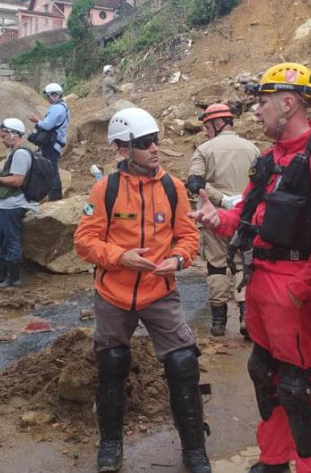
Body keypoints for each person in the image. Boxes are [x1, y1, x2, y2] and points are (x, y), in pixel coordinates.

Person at [191, 63, 311, 473]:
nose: (255, 112)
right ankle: (274, 459)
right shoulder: (267, 159)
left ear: (289, 102)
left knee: (298, 387)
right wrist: (214, 219)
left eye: (262, 103)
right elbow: (243, 215)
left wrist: (305, 284)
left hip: (292, 292)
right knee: (265, 373)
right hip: (260, 285)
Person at [74, 107, 211, 473]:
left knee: (183, 363)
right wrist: (121, 257)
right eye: (145, 143)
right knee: (112, 363)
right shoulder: (107, 188)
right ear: (123, 150)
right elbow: (84, 241)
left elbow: (188, 235)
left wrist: (179, 261)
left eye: (156, 141)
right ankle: (110, 444)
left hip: (159, 290)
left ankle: (195, 449)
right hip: (113, 294)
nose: (155, 149)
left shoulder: (173, 187)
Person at [187, 103, 260, 338]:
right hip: (245, 218)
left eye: (207, 126)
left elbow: (194, 182)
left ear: (218, 124)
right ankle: (246, 318)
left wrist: (222, 199)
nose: (206, 131)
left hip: (214, 217)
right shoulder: (253, 149)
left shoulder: (204, 150)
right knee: (242, 264)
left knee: (216, 266)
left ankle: (218, 322)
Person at [0, 118, 38, 288]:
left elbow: (17, 180)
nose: (2, 139)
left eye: (4, 135)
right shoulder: (15, 152)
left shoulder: (20, 153)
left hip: (14, 204)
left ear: (14, 135)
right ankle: (1, 276)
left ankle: (13, 278)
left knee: (10, 240)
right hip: (8, 204)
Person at [29, 82, 69, 201]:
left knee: (51, 170)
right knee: (52, 168)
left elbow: (47, 125)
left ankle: (55, 195)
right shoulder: (64, 107)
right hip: (56, 142)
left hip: (51, 144)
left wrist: (37, 121)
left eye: (49, 96)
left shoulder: (57, 108)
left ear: (55, 95)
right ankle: (54, 194)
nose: (48, 99)